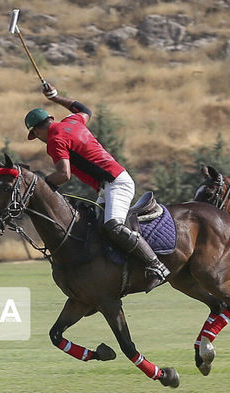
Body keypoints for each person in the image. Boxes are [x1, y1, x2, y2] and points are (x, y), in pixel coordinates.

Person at [24, 83, 170, 292]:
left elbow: (64, 174)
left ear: (38, 129)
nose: (37, 139)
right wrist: (55, 98)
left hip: (116, 183)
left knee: (113, 226)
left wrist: (41, 186)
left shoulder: (55, 140)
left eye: (35, 135)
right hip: (108, 186)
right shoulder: (71, 121)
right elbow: (84, 110)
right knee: (93, 229)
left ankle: (157, 266)